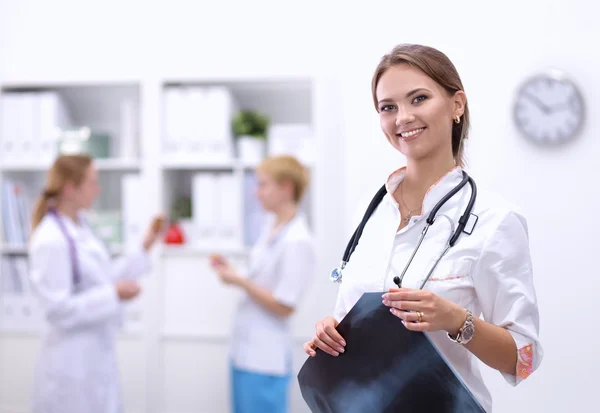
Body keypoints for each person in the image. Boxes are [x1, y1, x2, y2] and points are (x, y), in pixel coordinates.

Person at [303, 44, 543, 412]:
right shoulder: (371, 212)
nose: (403, 117)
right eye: (388, 107)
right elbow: (349, 316)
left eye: (418, 98)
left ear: (456, 105)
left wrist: (456, 320)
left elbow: (523, 359)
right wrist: (329, 332)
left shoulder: (496, 220)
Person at [27, 154, 165, 413]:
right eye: (92, 183)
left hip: (94, 356)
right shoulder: (50, 239)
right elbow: (58, 310)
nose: (97, 190)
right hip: (70, 363)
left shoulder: (80, 227)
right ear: (70, 188)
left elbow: (103, 277)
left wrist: (144, 247)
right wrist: (113, 294)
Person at [210, 155, 316, 413]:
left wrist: (240, 282)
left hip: (265, 357)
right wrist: (234, 274)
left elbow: (284, 306)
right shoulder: (272, 227)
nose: (256, 192)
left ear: (286, 188)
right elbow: (259, 276)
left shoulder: (298, 240)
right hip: (244, 352)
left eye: (263, 185)